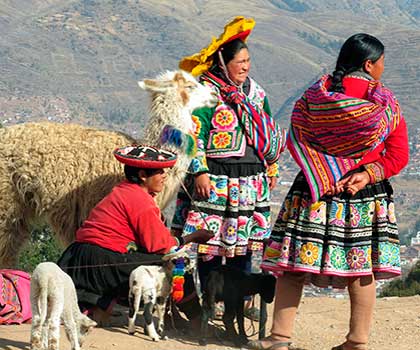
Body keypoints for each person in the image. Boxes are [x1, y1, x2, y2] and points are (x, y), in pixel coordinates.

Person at [248, 33, 409, 350]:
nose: (383, 68)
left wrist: (322, 172)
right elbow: (398, 154)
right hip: (364, 196)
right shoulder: (386, 104)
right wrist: (365, 174)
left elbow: (297, 138)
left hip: (313, 192)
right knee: (361, 270)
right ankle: (357, 342)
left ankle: (279, 338)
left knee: (293, 264)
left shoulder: (313, 97)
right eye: (381, 63)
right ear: (368, 64)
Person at [172, 16, 286, 306]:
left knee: (243, 244)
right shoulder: (205, 94)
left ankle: (239, 301)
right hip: (216, 178)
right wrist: (199, 172)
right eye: (240, 62)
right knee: (210, 243)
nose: (246, 67)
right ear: (223, 63)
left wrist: (270, 166)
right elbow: (191, 135)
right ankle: (206, 301)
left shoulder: (256, 93)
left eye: (248, 61)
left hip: (251, 180)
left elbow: (267, 130)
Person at [58, 145, 213, 325]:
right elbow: (160, 246)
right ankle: (197, 322)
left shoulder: (124, 190)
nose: (165, 176)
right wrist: (194, 237)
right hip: (105, 261)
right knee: (177, 265)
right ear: (142, 175)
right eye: (159, 172)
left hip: (81, 256)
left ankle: (104, 309)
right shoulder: (139, 200)